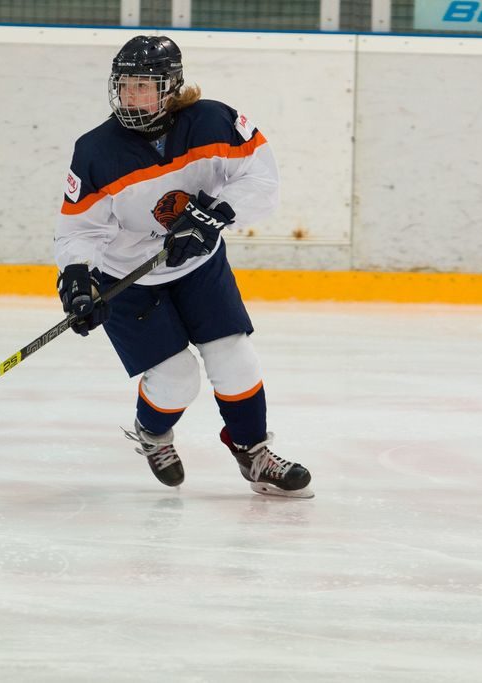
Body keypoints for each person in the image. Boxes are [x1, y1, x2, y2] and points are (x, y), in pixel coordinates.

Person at [54, 35, 313, 498]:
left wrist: (215, 214)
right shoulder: (95, 150)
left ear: (171, 87)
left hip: (199, 266)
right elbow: (79, 230)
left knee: (234, 356)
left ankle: (253, 453)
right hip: (128, 277)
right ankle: (153, 433)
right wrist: (76, 280)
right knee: (175, 380)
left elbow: (260, 179)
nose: (132, 96)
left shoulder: (215, 120)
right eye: (125, 85)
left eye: (144, 86)